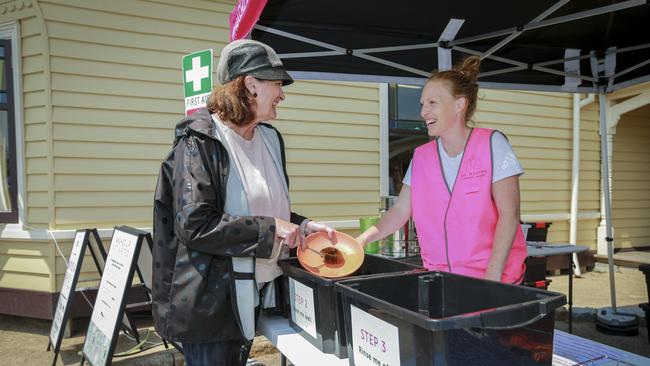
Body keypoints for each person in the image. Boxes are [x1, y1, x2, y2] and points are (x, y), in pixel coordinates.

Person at [152, 39, 335, 366]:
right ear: (251, 85)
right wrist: (271, 229)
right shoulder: (199, 143)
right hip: (209, 305)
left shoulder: (270, 139)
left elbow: (260, 208)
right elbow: (195, 224)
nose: (282, 94)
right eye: (277, 84)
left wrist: (302, 225)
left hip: (255, 294)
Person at [357, 56, 527, 284]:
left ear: (459, 104)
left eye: (432, 103)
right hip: (441, 279)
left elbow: (510, 215)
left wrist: (492, 278)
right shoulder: (421, 156)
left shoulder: (492, 143)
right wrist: (361, 240)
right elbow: (400, 211)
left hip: (493, 280)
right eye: (422, 104)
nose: (423, 112)